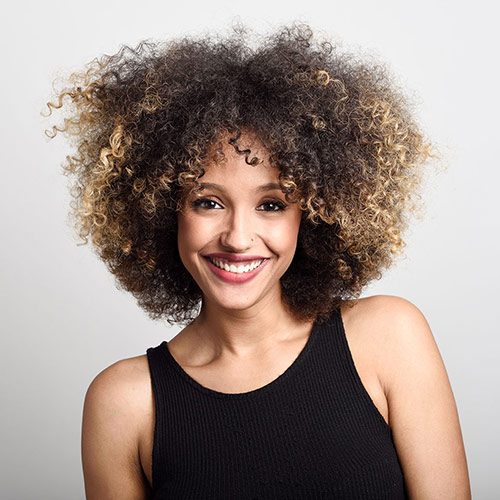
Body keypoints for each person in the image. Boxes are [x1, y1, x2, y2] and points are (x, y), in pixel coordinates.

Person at [45, 21, 471, 499]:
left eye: (271, 204)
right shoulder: (125, 404)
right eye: (208, 202)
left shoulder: (388, 337)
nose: (238, 238)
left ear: (313, 215)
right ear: (164, 211)